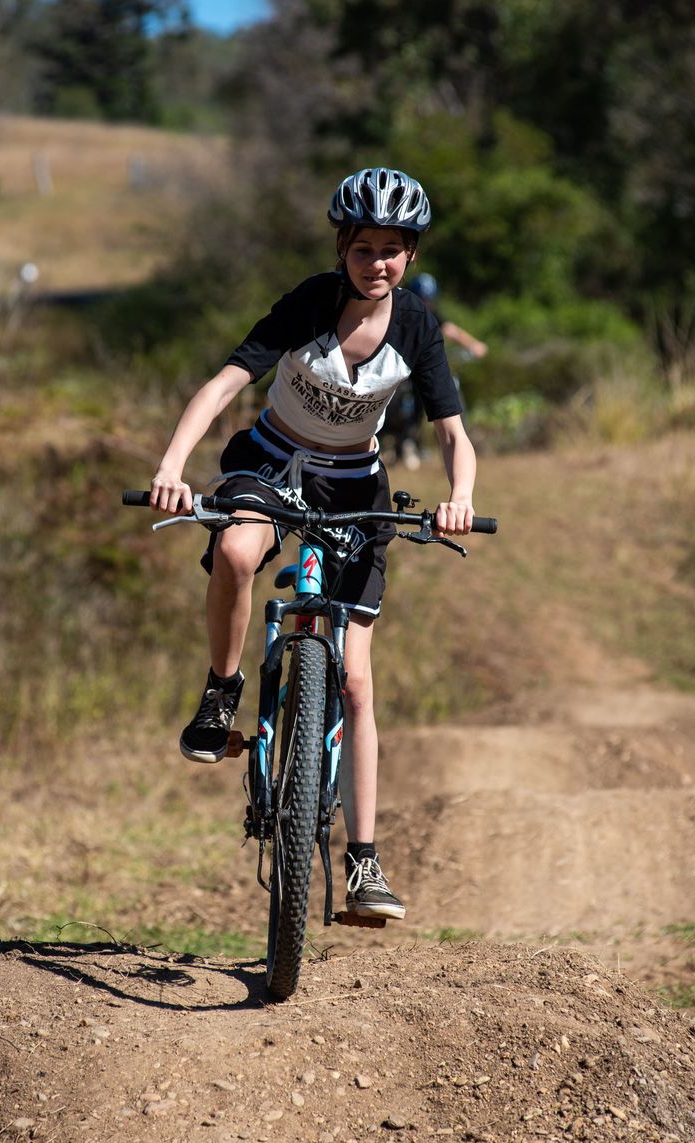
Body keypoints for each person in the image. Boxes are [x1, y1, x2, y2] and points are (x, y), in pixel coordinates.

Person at [149, 167, 478, 922]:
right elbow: (224, 385)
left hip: (355, 483)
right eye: (363, 249)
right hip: (272, 461)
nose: (377, 264)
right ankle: (222, 690)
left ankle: (363, 861)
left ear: (412, 255)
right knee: (237, 552)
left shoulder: (418, 327)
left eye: (392, 250)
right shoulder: (311, 303)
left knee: (356, 682)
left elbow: (452, 433)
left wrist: (459, 497)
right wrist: (171, 467)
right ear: (341, 249)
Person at [383, 272, 488, 469]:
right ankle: (401, 442)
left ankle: (421, 444)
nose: (425, 304)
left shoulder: (430, 315)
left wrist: (473, 344)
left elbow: (450, 330)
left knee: (432, 403)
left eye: (428, 300)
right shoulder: (398, 312)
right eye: (421, 299)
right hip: (402, 370)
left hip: (421, 369)